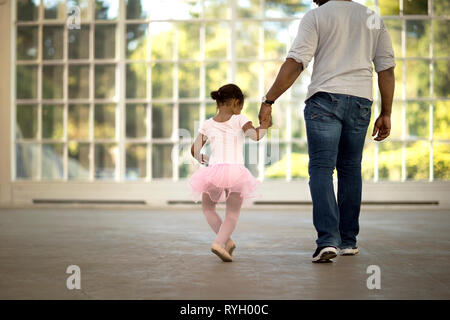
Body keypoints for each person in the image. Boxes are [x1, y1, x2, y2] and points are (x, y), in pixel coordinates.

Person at [258, 0, 396, 262]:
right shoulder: (372, 18)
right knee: (350, 169)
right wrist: (386, 112)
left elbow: (297, 62)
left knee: (322, 168)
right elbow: (385, 68)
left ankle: (327, 241)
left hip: (324, 100)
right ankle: (348, 241)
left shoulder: (316, 16)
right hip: (360, 101)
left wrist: (269, 100)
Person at [189, 83, 272, 262]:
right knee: (232, 214)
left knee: (208, 208)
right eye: (241, 105)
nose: (240, 109)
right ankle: (219, 243)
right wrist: (264, 125)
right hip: (236, 173)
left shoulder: (207, 124)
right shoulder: (239, 119)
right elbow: (255, 136)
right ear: (236, 102)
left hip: (213, 172)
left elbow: (194, 149)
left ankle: (226, 241)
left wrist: (201, 158)